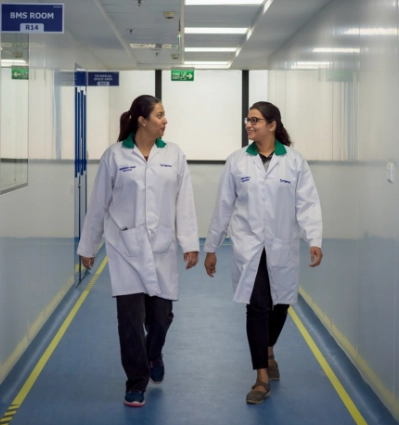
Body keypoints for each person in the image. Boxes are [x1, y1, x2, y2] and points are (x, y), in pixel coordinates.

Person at [77, 95, 199, 408]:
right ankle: (136, 382)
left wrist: (190, 243)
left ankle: (153, 352)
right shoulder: (115, 156)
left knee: (160, 319)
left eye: (165, 115)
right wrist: (89, 246)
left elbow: (183, 202)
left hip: (161, 249)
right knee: (130, 321)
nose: (165, 120)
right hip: (125, 248)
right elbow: (99, 204)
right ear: (142, 120)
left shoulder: (174, 154)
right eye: (159, 115)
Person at [203, 101, 322, 404]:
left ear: (272, 124)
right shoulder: (237, 161)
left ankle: (268, 350)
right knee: (256, 307)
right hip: (248, 247)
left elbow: (307, 204)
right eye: (247, 119)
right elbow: (223, 206)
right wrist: (212, 247)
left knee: (280, 304)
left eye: (255, 120)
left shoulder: (294, 162)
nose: (249, 124)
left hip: (281, 245)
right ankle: (261, 377)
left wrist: (314, 239)